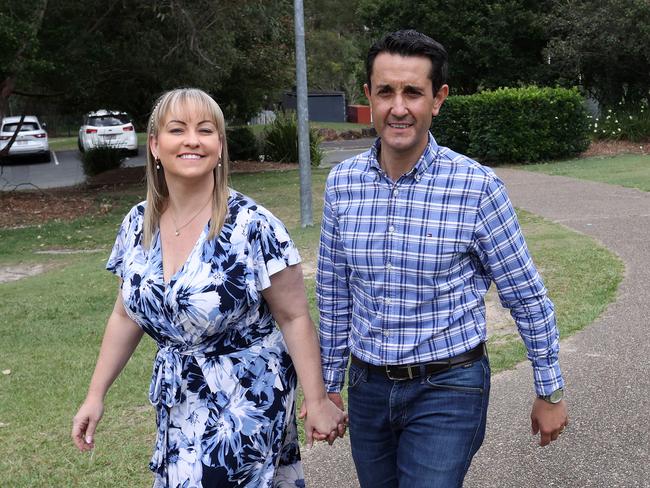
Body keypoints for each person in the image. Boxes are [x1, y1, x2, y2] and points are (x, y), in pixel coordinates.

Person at [317, 30, 569, 488]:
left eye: (413, 92)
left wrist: (548, 389)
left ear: (438, 99)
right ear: (368, 97)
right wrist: (327, 385)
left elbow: (526, 295)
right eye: (386, 92)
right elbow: (333, 293)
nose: (399, 107)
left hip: (448, 387)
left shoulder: (476, 188)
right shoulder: (341, 184)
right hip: (368, 388)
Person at [72, 87, 346, 487]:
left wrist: (317, 399)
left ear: (220, 146)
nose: (192, 140)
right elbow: (124, 314)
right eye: (177, 130)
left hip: (246, 398)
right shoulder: (137, 224)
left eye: (205, 130)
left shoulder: (254, 225)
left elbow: (294, 316)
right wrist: (95, 395)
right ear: (154, 145)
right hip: (179, 400)